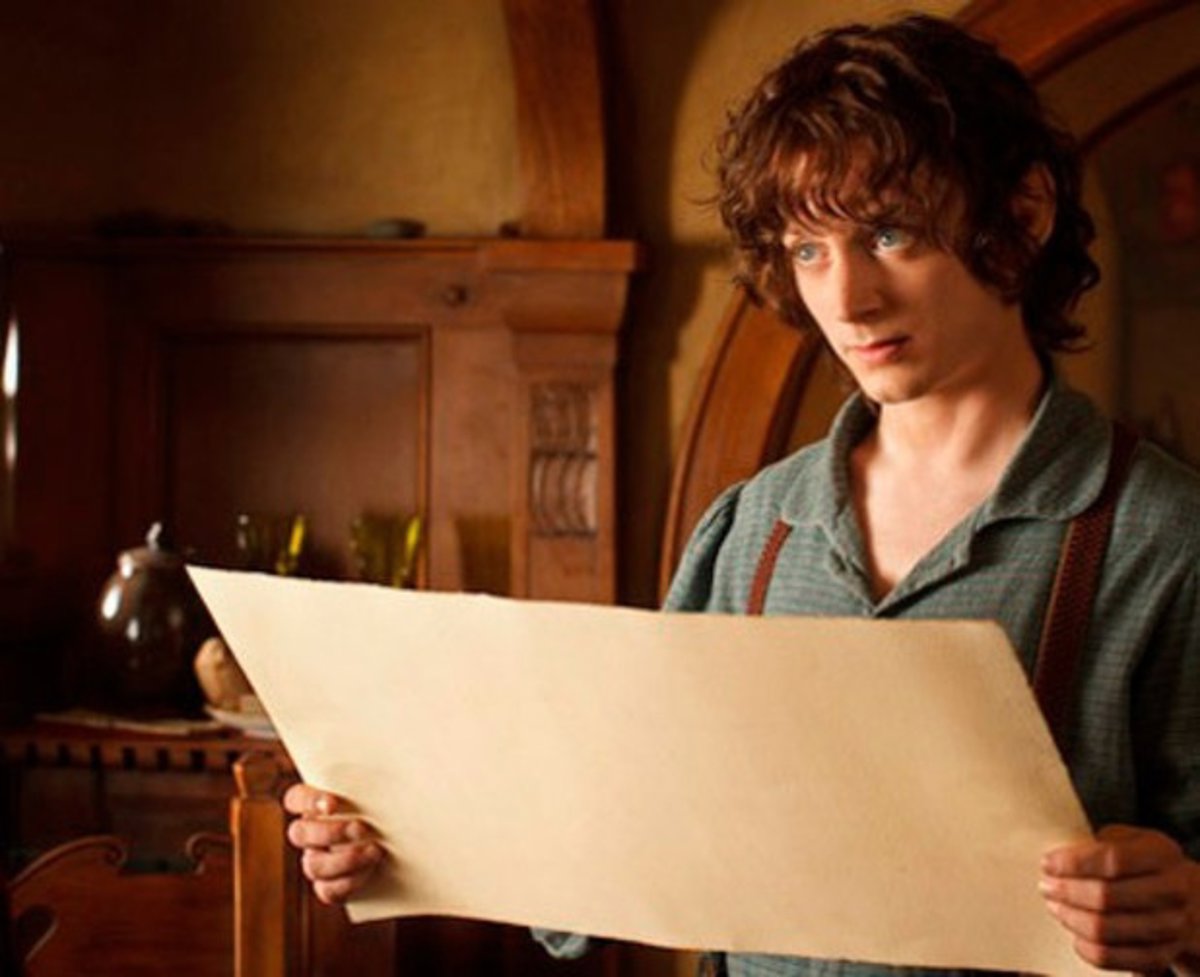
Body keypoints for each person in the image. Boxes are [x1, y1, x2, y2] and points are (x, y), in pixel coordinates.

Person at [284, 13, 1200, 977]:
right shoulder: (754, 529)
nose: (846, 299)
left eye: (888, 233)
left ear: (1024, 213)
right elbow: (622, 833)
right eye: (808, 249)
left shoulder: (1164, 537)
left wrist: (1186, 909)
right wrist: (397, 839)